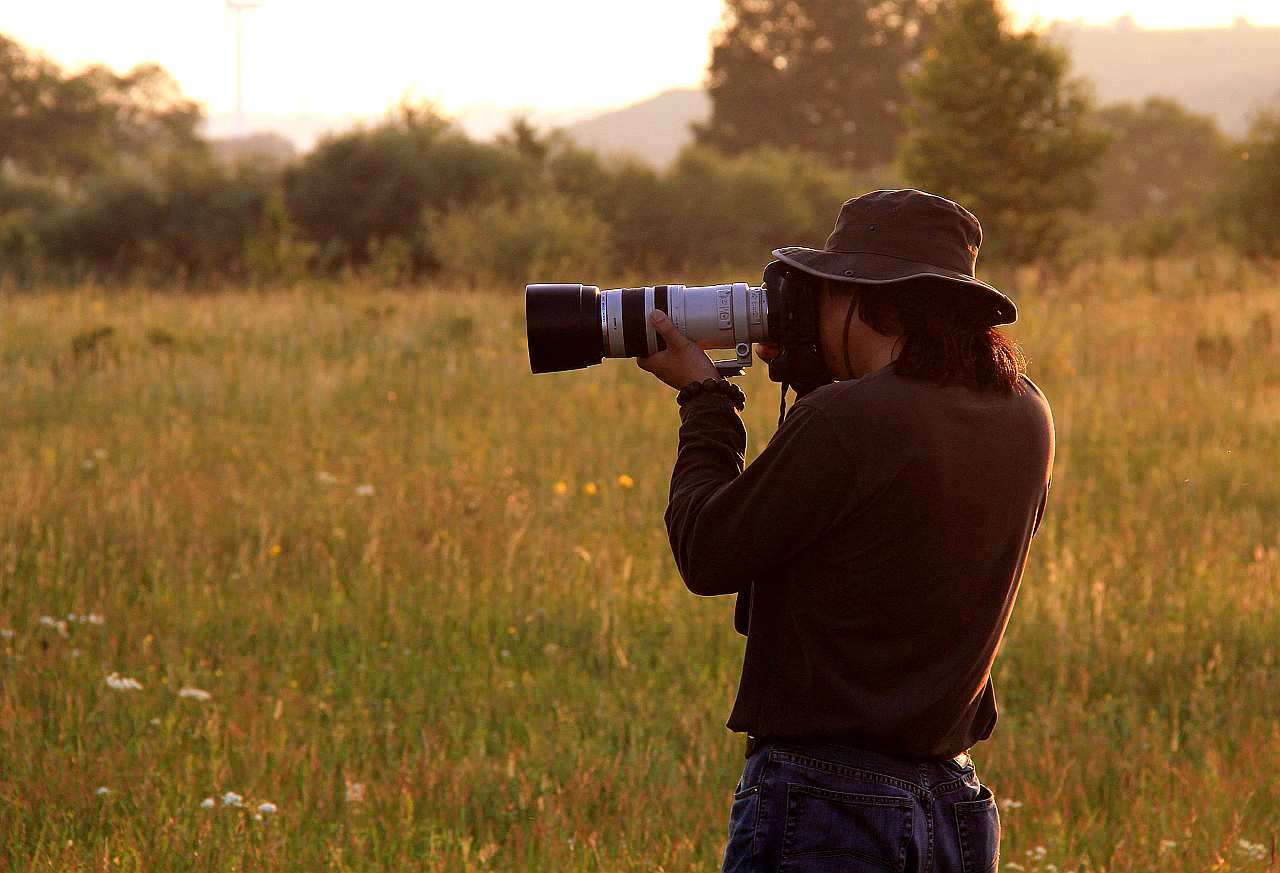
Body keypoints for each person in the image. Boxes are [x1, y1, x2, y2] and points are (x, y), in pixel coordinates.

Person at [635, 189, 1055, 873]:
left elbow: (706, 551)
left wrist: (705, 399)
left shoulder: (849, 419)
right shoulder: (1027, 413)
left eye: (825, 296)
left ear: (870, 296)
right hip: (955, 804)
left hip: (829, 802)